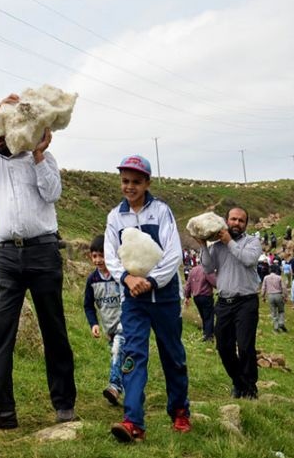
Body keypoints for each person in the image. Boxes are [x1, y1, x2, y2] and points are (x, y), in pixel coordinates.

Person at [0, 94, 76, 429]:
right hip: (4, 254)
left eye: (3, 130)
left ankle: (64, 403)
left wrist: (38, 154)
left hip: (44, 252)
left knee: (53, 327)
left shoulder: (44, 159)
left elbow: (52, 194)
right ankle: (2, 410)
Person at [104, 155, 190, 442]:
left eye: (136, 182)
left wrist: (152, 281)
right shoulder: (115, 217)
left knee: (172, 355)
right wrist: (127, 279)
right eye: (125, 181)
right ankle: (133, 422)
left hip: (164, 298)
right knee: (133, 356)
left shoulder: (162, 212)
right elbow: (111, 254)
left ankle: (179, 411)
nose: (130, 187)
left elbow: (173, 253)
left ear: (147, 183)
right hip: (133, 300)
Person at [199, 207, 262, 400]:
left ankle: (250, 387)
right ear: (226, 221)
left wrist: (229, 242)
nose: (236, 223)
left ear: (246, 224)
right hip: (224, 303)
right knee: (223, 347)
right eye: (233, 219)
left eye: (241, 220)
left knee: (244, 346)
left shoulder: (253, 242)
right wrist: (203, 245)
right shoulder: (216, 246)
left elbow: (249, 259)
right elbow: (208, 268)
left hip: (246, 302)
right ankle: (238, 382)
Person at [83, 235, 124, 406]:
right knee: (120, 359)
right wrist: (94, 324)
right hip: (109, 329)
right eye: (95, 256)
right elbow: (88, 305)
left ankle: (114, 386)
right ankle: (129, 390)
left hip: (125, 325)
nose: (98, 260)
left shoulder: (120, 276)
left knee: (117, 351)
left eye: (102, 255)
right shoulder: (92, 280)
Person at [184, 263, 217, 341]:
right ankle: (209, 336)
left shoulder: (193, 270)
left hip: (196, 297)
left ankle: (205, 332)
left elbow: (188, 284)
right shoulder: (206, 269)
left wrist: (187, 296)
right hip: (205, 296)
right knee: (209, 316)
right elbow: (214, 282)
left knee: (203, 316)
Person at [261, 264, 288, 333]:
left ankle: (276, 327)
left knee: (273, 311)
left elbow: (263, 287)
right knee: (281, 310)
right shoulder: (279, 277)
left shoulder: (266, 278)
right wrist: (285, 296)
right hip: (278, 295)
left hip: (270, 295)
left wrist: (263, 296)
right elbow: (283, 288)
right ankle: (281, 323)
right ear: (276, 270)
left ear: (270, 270)